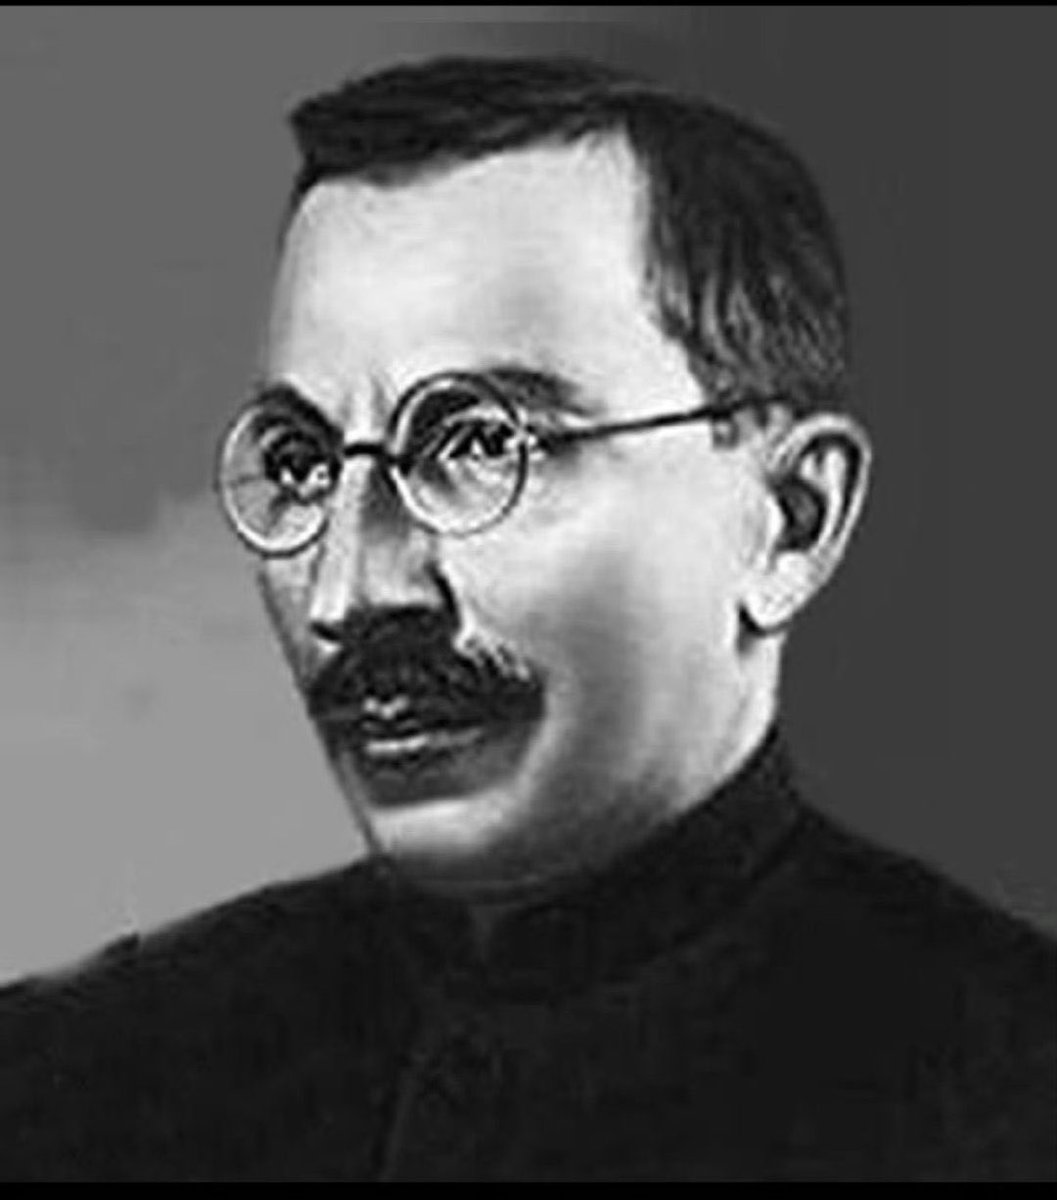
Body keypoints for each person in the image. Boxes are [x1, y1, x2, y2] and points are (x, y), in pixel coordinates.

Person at [1, 56, 1053, 1181]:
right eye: (303, 463)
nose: (348, 590)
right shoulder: (66, 1076)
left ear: (789, 522)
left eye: (480, 445)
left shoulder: (1014, 1090)